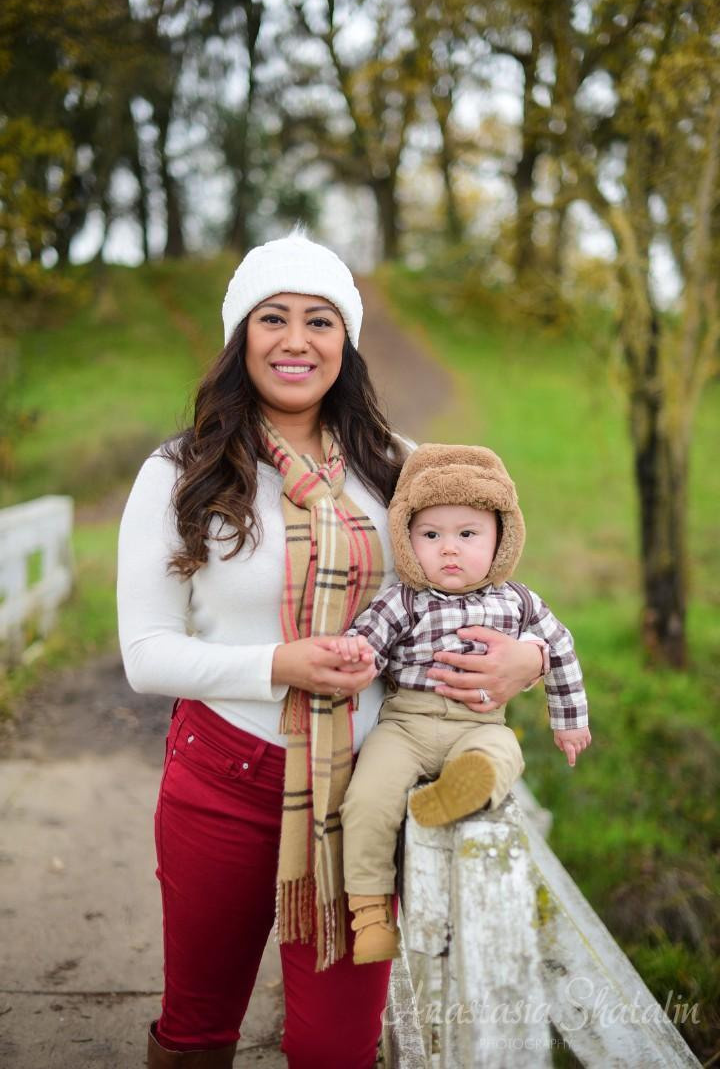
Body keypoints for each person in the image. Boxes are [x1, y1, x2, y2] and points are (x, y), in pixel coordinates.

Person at [116, 231, 547, 1068]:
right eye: (272, 317)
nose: (296, 340)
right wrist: (280, 665)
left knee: (335, 1048)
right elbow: (146, 653)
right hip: (223, 777)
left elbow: (486, 585)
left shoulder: (400, 468)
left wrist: (524, 661)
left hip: (364, 787)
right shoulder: (180, 474)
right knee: (198, 1032)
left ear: (345, 340)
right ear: (241, 336)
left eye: (320, 320)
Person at [334, 443, 591, 965]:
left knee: (502, 755)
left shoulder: (517, 601)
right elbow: (366, 644)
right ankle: (371, 913)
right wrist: (353, 660)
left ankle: (462, 790)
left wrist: (569, 722)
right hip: (405, 725)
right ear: (407, 541)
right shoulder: (402, 600)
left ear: (501, 539)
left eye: (467, 535)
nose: (449, 550)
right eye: (431, 536)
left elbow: (560, 648)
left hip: (480, 722)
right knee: (366, 800)